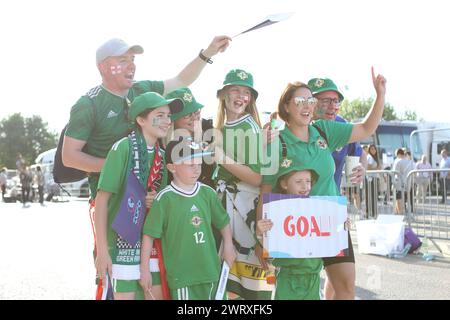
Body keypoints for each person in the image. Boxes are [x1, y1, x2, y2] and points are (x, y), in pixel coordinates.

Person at [61, 36, 231, 298]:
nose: (131, 66)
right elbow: (69, 157)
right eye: (122, 60)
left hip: (151, 199)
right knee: (119, 276)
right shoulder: (88, 104)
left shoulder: (142, 90)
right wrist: (121, 169)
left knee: (153, 275)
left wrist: (208, 52)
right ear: (104, 66)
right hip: (115, 203)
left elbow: (180, 81)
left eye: (133, 60)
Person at [258, 67, 387, 301]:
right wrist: (262, 236)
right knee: (301, 288)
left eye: (310, 100)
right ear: (286, 106)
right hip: (296, 225)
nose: (307, 105)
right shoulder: (275, 141)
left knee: (346, 285)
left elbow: (366, 128)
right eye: (300, 100)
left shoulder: (324, 130)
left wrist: (380, 96)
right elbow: (265, 191)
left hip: (330, 220)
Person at [94, 92, 184, 300]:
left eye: (168, 116)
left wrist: (154, 202)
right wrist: (102, 250)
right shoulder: (122, 148)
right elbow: (102, 200)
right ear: (141, 120)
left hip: (149, 244)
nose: (167, 121)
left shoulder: (162, 157)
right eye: (159, 115)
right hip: (120, 243)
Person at [140, 137, 236, 300]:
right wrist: (144, 269)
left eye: (199, 164)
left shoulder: (208, 193)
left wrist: (228, 245)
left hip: (211, 273)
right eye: (190, 164)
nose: (196, 169)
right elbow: (149, 235)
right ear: (172, 167)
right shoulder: (165, 198)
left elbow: (223, 222)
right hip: (183, 278)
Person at [212, 69, 275, 300]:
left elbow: (259, 178)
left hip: (244, 209)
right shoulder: (225, 125)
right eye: (235, 90)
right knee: (231, 281)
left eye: (246, 92)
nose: (241, 96)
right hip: (227, 207)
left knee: (245, 283)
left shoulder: (248, 126)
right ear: (224, 95)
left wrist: (222, 159)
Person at [307, 77, 368, 300]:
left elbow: (361, 153)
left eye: (336, 101)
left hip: (331, 213)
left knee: (345, 284)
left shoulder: (342, 125)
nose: (332, 106)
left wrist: (362, 167)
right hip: (297, 214)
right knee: (302, 282)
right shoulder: (292, 128)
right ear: (308, 102)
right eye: (325, 101)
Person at [256, 162, 322, 299]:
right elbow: (267, 250)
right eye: (298, 181)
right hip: (286, 278)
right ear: (284, 184)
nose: (305, 186)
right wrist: (259, 233)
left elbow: (329, 239)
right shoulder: (276, 210)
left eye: (308, 181)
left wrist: (342, 226)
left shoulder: (319, 208)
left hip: (313, 277)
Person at [164, 87, 215, 187]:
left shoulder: (209, 134)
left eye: (196, 112)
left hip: (206, 196)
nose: (194, 118)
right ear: (173, 119)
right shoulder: (162, 145)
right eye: (187, 115)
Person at [365, 144, 382, 218]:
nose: (373, 150)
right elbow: (368, 169)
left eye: (374, 149)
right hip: (370, 179)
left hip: (375, 178)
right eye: (371, 149)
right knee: (370, 197)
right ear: (369, 150)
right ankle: (369, 213)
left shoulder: (375, 158)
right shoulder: (369, 157)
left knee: (374, 197)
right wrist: (377, 169)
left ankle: (374, 213)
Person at [392, 148, 410, 214]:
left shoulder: (398, 161)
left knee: (398, 200)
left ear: (398, 154)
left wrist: (393, 183)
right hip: (407, 183)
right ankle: (403, 213)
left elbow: (394, 172)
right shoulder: (409, 161)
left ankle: (400, 214)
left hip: (399, 184)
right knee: (404, 199)